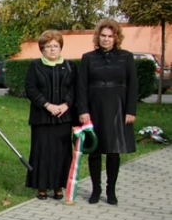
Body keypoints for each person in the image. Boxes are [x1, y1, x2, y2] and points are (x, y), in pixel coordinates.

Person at [77, 18, 138, 205]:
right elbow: (81, 86)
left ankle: (111, 190)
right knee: (95, 151)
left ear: (116, 38)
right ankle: (96, 190)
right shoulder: (88, 58)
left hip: (118, 108)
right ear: (98, 37)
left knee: (113, 151)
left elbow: (133, 85)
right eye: (103, 35)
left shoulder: (126, 57)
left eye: (110, 36)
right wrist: (83, 110)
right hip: (94, 107)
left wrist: (130, 110)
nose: (106, 39)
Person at [24, 30, 77, 203]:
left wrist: (66, 104)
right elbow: (30, 88)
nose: (52, 49)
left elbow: (75, 88)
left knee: (61, 153)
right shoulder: (35, 66)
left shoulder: (70, 66)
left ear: (60, 47)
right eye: (48, 46)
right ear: (42, 49)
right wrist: (47, 105)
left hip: (63, 117)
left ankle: (58, 186)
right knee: (42, 152)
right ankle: (42, 187)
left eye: (55, 46)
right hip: (42, 117)